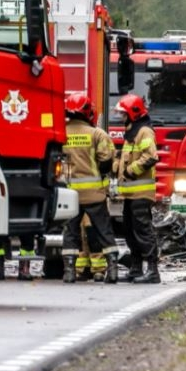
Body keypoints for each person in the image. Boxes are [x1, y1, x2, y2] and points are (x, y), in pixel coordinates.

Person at [60, 92, 120, 284]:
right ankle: (112, 272)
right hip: (94, 194)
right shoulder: (97, 134)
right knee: (104, 231)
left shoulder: (61, 132)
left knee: (70, 233)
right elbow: (107, 160)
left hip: (70, 194)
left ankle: (70, 272)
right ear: (87, 112)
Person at [113, 94, 161, 284]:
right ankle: (135, 267)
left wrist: (131, 171)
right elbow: (125, 158)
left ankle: (152, 270)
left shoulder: (144, 132)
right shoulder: (132, 132)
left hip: (141, 193)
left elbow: (151, 157)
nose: (121, 117)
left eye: (124, 114)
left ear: (133, 113)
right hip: (130, 193)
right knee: (130, 230)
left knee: (143, 231)